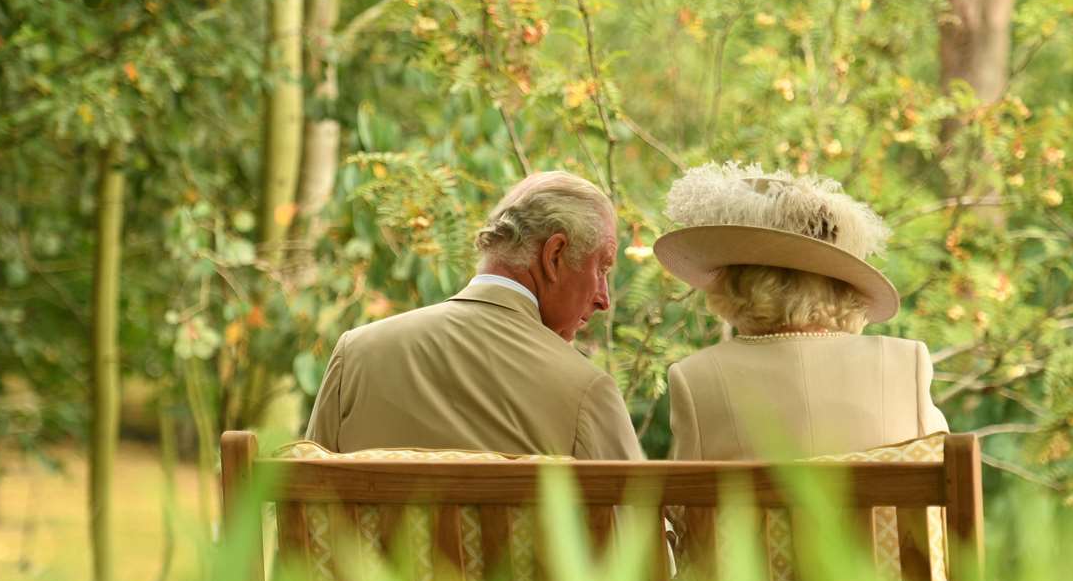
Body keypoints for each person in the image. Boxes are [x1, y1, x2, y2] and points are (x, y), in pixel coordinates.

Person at [304, 171, 643, 460]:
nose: (604, 299)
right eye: (602, 268)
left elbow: (303, 517)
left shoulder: (356, 354)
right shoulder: (586, 392)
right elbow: (642, 536)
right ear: (554, 256)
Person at [655, 162, 948, 461]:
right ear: (842, 286)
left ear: (735, 284)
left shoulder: (694, 377)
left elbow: (685, 502)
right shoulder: (905, 363)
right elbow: (944, 488)